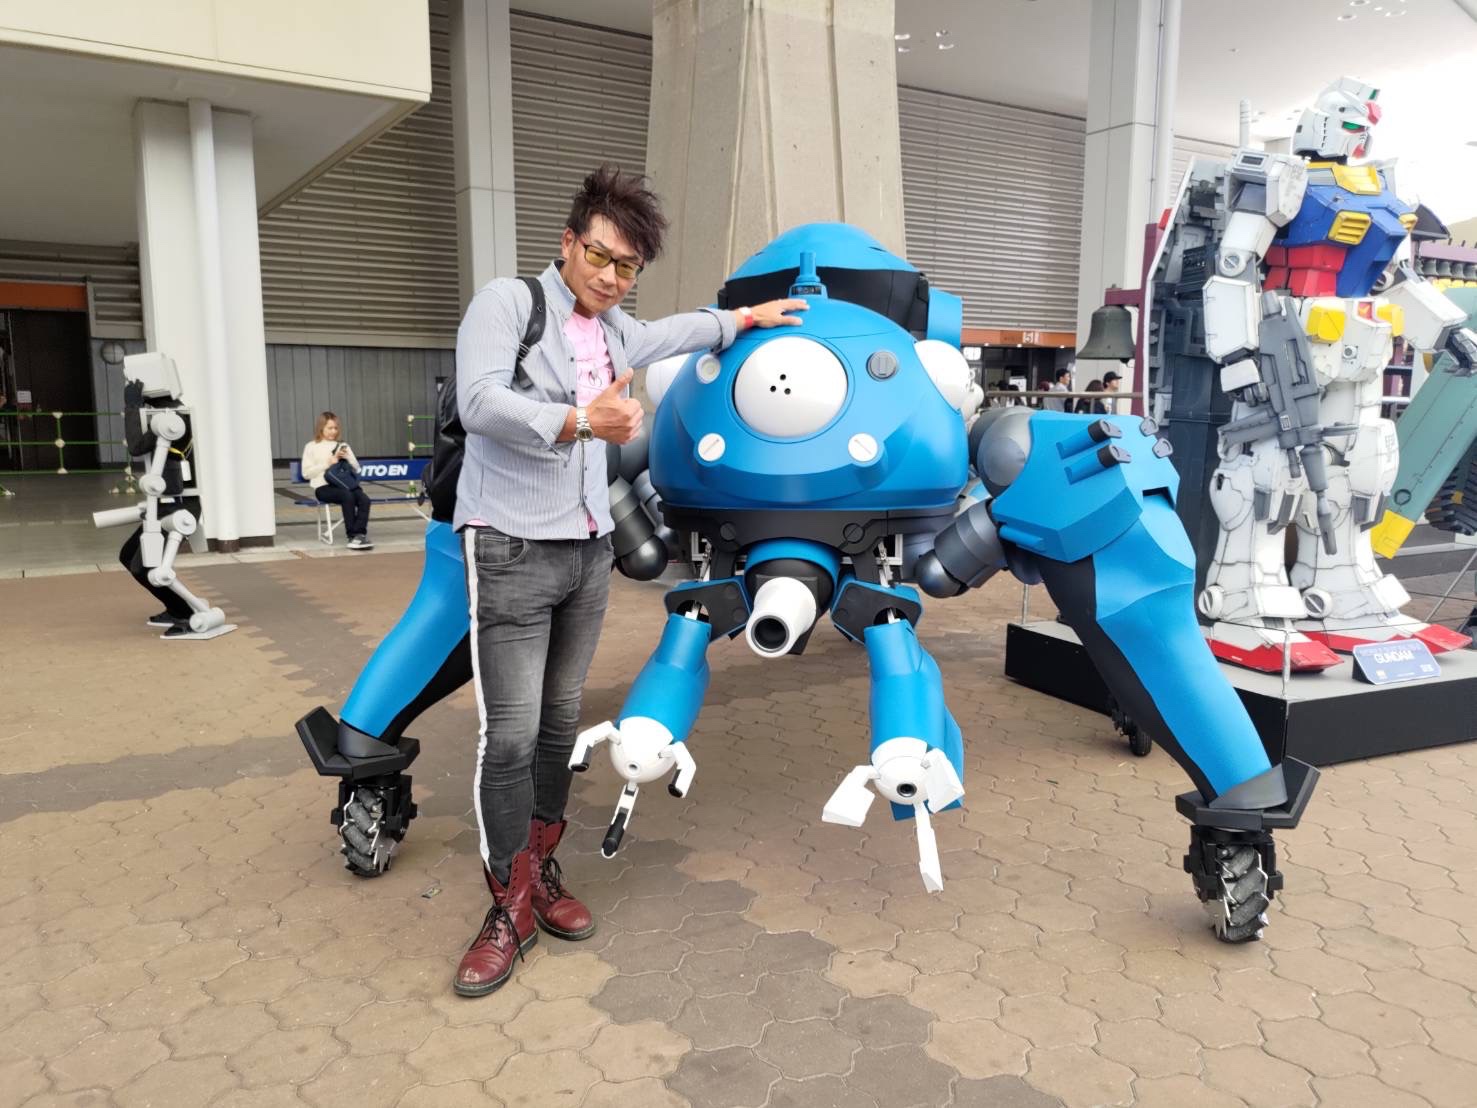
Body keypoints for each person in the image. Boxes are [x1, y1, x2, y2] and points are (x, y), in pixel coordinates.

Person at [451, 164, 807, 998]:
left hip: (586, 555)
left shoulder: (613, 331)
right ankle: (506, 906)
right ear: (568, 242)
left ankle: (541, 873)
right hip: (509, 547)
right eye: (600, 256)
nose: (610, 278)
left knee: (557, 728)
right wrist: (583, 422)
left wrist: (742, 319)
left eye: (627, 267)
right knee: (509, 736)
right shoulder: (508, 304)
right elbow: (478, 403)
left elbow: (676, 332)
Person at [301, 412, 373, 549]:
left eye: (335, 428)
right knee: (347, 496)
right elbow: (306, 474)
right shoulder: (311, 446)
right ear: (321, 428)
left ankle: (359, 535)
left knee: (364, 499)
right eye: (330, 428)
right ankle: (353, 536)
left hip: (344, 484)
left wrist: (347, 457)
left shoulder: (342, 445)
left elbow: (357, 468)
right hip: (323, 487)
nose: (333, 431)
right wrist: (327, 463)